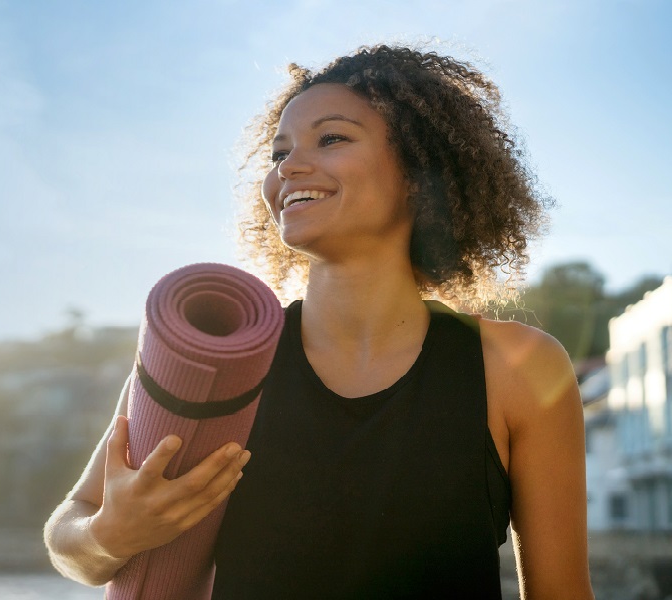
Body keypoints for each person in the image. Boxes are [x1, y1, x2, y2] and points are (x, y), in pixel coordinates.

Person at [44, 44, 593, 599]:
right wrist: (109, 536)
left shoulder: (518, 368)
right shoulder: (221, 354)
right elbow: (72, 535)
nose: (289, 166)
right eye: (280, 152)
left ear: (419, 171)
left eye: (332, 139)